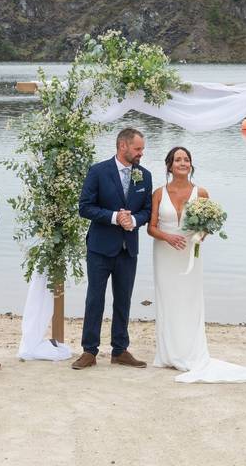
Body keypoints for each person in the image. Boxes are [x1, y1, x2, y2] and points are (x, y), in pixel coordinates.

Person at [148, 147, 246, 383]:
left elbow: (208, 226)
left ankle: (190, 351)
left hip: (190, 255)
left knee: (189, 299)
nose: (182, 163)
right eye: (178, 160)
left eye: (186, 160)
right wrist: (168, 237)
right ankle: (167, 353)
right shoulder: (158, 193)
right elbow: (151, 227)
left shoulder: (201, 193)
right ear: (169, 165)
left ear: (191, 165)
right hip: (164, 253)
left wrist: (200, 236)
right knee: (167, 299)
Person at [73, 127, 152, 370]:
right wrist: (115, 217)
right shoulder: (98, 171)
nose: (141, 154)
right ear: (122, 147)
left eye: (142, 149)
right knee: (95, 298)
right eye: (138, 149)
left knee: (123, 299)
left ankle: (120, 350)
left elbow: (147, 210)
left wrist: (134, 221)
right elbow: (85, 207)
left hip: (128, 248)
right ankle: (89, 351)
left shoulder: (145, 175)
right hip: (100, 247)